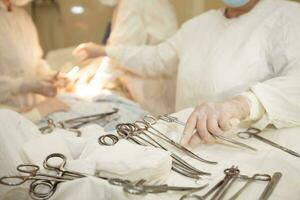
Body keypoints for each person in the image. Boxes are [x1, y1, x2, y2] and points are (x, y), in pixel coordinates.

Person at [73, 0, 300, 147]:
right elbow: (157, 59)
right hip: (188, 143)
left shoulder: (287, 16)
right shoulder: (198, 25)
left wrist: (242, 104)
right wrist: (105, 51)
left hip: (253, 149)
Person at [74, 0, 178, 115]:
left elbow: (117, 53)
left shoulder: (132, 3)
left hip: (150, 87)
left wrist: (91, 88)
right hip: (153, 77)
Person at [0, 0, 70, 122]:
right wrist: (22, 85)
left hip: (33, 111)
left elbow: (35, 60)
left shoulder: (22, 16)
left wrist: (50, 77)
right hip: (6, 118)